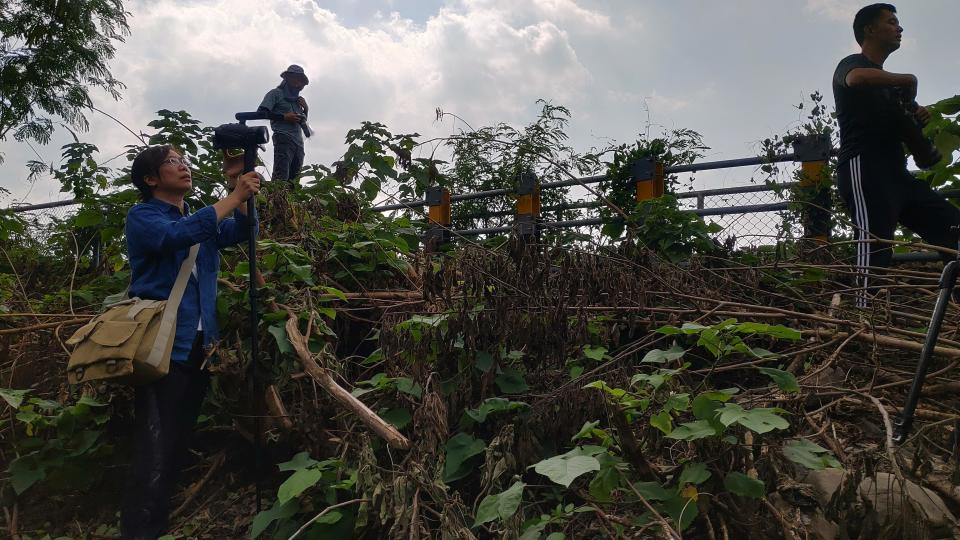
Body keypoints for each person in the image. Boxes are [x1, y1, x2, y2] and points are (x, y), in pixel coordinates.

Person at [120, 144, 260, 539]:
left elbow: (245, 232)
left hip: (200, 346)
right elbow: (177, 236)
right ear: (150, 179)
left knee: (179, 439)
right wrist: (233, 196)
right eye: (172, 162)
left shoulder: (200, 219)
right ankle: (140, 531)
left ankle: (159, 521)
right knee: (154, 444)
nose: (183, 167)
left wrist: (240, 188)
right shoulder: (144, 216)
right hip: (162, 344)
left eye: (185, 161)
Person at [833, 3, 957, 307]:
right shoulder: (852, 63)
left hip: (897, 174)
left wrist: (916, 116)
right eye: (891, 22)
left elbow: (906, 134)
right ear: (869, 30)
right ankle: (862, 322)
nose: (899, 28)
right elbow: (856, 79)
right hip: (865, 169)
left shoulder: (891, 90)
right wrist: (907, 79)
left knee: (952, 227)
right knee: (874, 249)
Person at [258, 64, 310, 184]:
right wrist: (284, 117)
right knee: (281, 177)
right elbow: (261, 113)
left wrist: (306, 109)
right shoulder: (275, 94)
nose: (298, 84)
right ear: (288, 78)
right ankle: (276, 200)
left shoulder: (298, 101)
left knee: (294, 181)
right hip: (283, 138)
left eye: (301, 82)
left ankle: (289, 203)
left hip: (298, 143)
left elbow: (302, 121)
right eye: (296, 79)